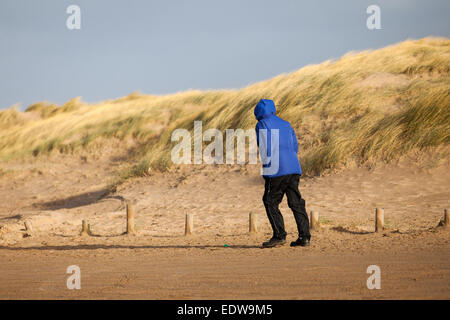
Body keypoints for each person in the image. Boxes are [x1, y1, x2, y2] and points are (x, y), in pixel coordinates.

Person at [254, 99, 311, 248]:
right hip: (293, 167)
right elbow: (295, 146)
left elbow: (265, 148)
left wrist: (267, 171)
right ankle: (304, 237)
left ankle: (279, 235)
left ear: (258, 112)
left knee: (270, 201)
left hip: (276, 169)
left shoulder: (261, 124)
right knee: (296, 203)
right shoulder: (286, 123)